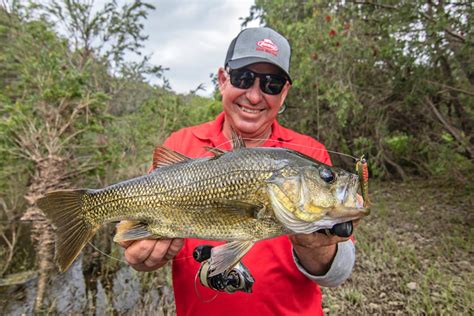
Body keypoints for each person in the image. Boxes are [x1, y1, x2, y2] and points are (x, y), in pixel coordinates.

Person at [119, 27, 358, 315]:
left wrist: (313, 246)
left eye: (271, 84)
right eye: (243, 78)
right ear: (223, 79)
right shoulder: (181, 144)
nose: (255, 96)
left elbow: (338, 273)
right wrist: (142, 254)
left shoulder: (308, 153)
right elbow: (134, 236)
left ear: (284, 93)